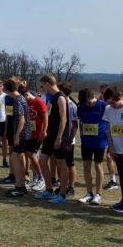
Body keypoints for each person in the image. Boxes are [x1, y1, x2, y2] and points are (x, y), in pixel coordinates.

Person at [34, 74, 71, 204]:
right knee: (42, 160)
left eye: (42, 85)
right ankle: (49, 190)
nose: (42, 87)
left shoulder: (60, 97)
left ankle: (62, 194)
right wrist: (45, 131)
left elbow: (64, 119)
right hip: (49, 135)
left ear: (48, 83)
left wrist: (59, 137)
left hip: (60, 136)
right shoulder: (51, 98)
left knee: (61, 164)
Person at [102, 88, 123, 212]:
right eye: (109, 103)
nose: (111, 105)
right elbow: (109, 129)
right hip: (115, 148)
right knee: (121, 173)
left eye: (112, 102)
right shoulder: (108, 109)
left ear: (119, 98)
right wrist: (110, 147)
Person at [76, 89, 108, 205]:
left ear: (92, 97)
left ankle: (98, 194)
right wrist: (81, 135)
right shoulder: (81, 107)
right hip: (86, 141)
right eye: (85, 103)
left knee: (98, 165)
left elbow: (109, 122)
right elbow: (80, 121)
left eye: (88, 102)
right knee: (86, 166)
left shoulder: (103, 106)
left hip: (100, 141)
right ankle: (89, 193)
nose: (87, 105)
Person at [3, 79, 32, 197]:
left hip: (22, 135)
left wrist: (17, 136)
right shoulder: (21, 98)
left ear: (7, 89)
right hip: (24, 134)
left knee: (15, 159)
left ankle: (19, 187)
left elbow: (22, 119)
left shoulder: (18, 100)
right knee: (18, 159)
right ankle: (20, 186)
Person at [20, 87, 46, 192]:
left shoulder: (39, 102)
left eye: (24, 98)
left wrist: (44, 131)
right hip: (29, 133)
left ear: (27, 94)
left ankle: (41, 178)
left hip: (38, 134)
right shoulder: (26, 103)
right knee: (29, 155)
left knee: (32, 154)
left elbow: (45, 117)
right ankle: (36, 178)